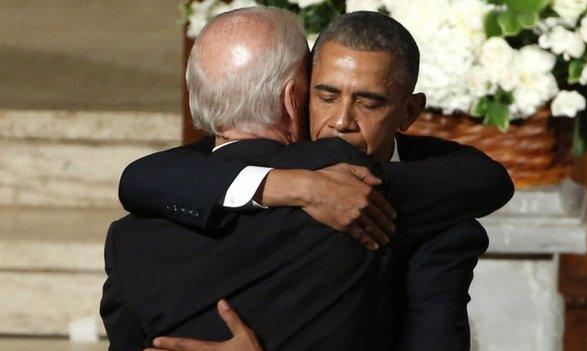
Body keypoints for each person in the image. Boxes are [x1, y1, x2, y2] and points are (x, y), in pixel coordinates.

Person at [101, 8, 514, 351]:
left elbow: (488, 179)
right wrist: (294, 185)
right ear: (296, 97)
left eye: (368, 101)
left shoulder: (128, 236)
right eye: (326, 95)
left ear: (408, 111)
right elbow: (143, 177)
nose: (340, 121)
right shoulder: (177, 188)